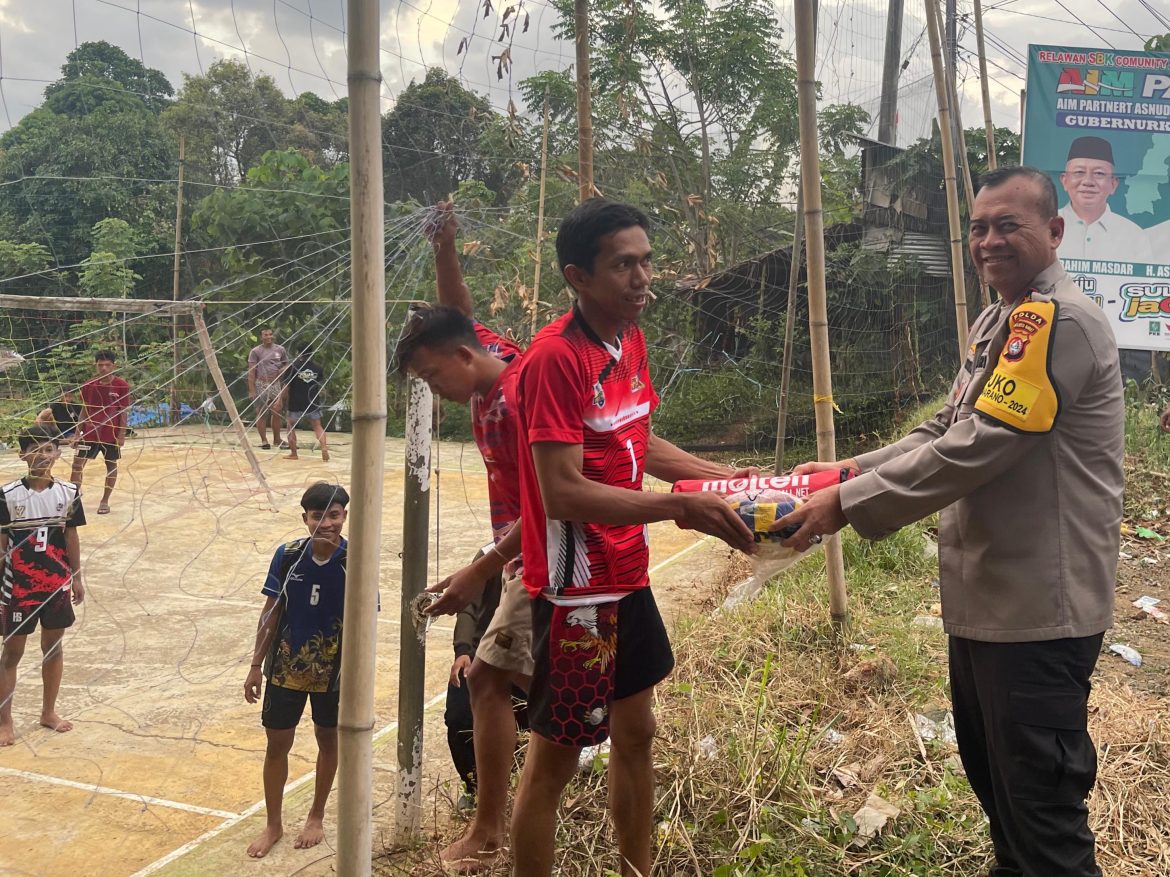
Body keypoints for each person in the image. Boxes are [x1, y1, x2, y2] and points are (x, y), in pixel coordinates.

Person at [774, 166, 1123, 877]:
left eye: (1009, 225)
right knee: (1005, 801)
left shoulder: (1061, 321)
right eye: (979, 226)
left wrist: (845, 503)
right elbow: (946, 423)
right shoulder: (1003, 316)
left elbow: (983, 442)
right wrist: (845, 472)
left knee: (1045, 820)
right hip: (991, 604)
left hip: (1039, 613)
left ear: (1054, 233)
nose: (989, 240)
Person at [508, 198, 758, 877]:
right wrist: (679, 507)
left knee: (638, 731)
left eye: (646, 260)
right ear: (577, 276)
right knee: (553, 764)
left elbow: (637, 436)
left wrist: (722, 478)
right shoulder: (554, 360)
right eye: (624, 264)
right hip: (576, 592)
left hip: (628, 575)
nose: (643, 276)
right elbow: (560, 489)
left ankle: (636, 869)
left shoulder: (629, 340)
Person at [396, 201, 532, 873]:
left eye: (428, 377)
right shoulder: (490, 366)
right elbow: (460, 314)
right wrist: (445, 248)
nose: (432, 388)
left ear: (459, 359)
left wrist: (480, 571)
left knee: (484, 681)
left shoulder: (517, 401)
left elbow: (548, 505)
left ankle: (489, 828)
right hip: (523, 552)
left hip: (543, 553)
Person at [242, 481, 349, 858]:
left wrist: (359, 676)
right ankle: (273, 822)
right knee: (277, 744)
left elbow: (366, 619)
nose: (326, 523)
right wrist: (256, 664)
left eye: (333, 515)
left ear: (344, 517)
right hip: (287, 667)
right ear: (305, 518)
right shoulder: (288, 556)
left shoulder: (355, 560)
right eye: (318, 516)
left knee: (328, 738)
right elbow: (271, 611)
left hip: (334, 672)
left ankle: (316, 815)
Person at [0, 425, 86, 746]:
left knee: (53, 647)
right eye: (34, 448)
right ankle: (4, 720)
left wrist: (76, 577)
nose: (41, 454)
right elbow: (2, 542)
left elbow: (71, 536)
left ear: (57, 453)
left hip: (55, 584)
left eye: (48, 448)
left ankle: (48, 712)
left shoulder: (68, 493)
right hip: (18, 587)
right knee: (12, 652)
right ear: (22, 454)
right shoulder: (7, 496)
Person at [444, 547, 529, 815]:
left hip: (528, 657)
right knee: (459, 720)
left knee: (531, 723)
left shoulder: (551, 547)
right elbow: (468, 607)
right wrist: (463, 651)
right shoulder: (489, 554)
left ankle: (519, 788)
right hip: (483, 653)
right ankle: (474, 788)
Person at [1057, 135, 1152, 263]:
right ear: (1064, 181)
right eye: (1079, 172)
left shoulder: (1134, 235)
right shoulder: (1045, 227)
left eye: (1099, 173)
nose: (1088, 181)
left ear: (1113, 184)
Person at [71, 350, 130, 515]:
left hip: (110, 434)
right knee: (77, 464)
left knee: (110, 465)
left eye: (107, 365)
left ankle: (105, 500)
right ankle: (73, 500)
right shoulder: (88, 385)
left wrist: (121, 434)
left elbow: (123, 412)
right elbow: (84, 409)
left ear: (113, 366)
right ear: (95, 365)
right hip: (89, 433)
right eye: (100, 365)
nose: (104, 368)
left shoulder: (121, 386)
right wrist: (77, 433)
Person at [282, 354, 330, 462]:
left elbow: (286, 387)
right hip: (312, 402)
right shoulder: (318, 368)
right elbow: (321, 386)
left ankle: (294, 454)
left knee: (290, 427)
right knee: (317, 426)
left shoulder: (293, 367)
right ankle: (323, 447)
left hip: (295, 403)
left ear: (299, 353)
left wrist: (280, 400)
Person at [248, 327, 289, 450]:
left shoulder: (280, 350)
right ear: (261, 337)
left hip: (275, 384)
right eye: (265, 335)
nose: (268, 337)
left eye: (270, 334)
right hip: (261, 384)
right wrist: (252, 390)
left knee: (276, 411)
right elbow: (251, 371)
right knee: (261, 413)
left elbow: (286, 364)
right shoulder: (256, 351)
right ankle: (264, 440)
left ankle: (277, 439)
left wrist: (283, 369)